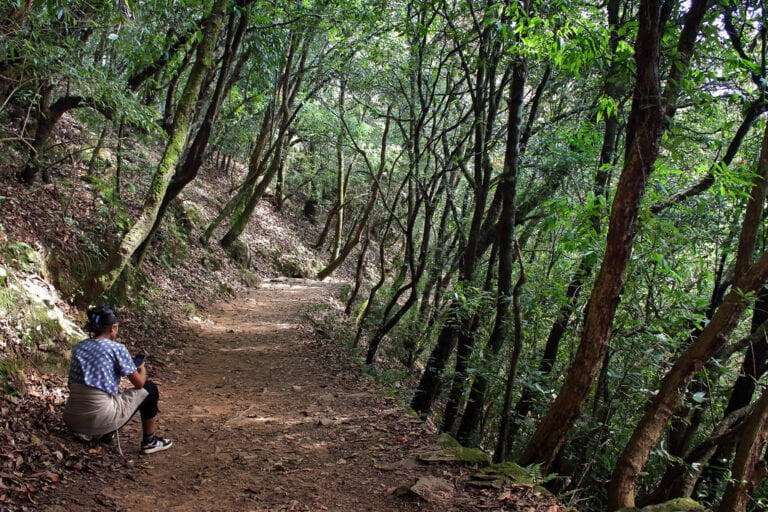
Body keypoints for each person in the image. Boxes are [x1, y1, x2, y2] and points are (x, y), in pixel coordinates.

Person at [63, 305, 173, 455]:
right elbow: (139, 383)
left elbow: (73, 384)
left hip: (72, 419)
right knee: (150, 389)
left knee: (107, 395)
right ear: (113, 328)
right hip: (99, 418)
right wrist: (141, 368)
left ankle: (97, 433)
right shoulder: (117, 348)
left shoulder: (79, 347)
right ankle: (149, 441)